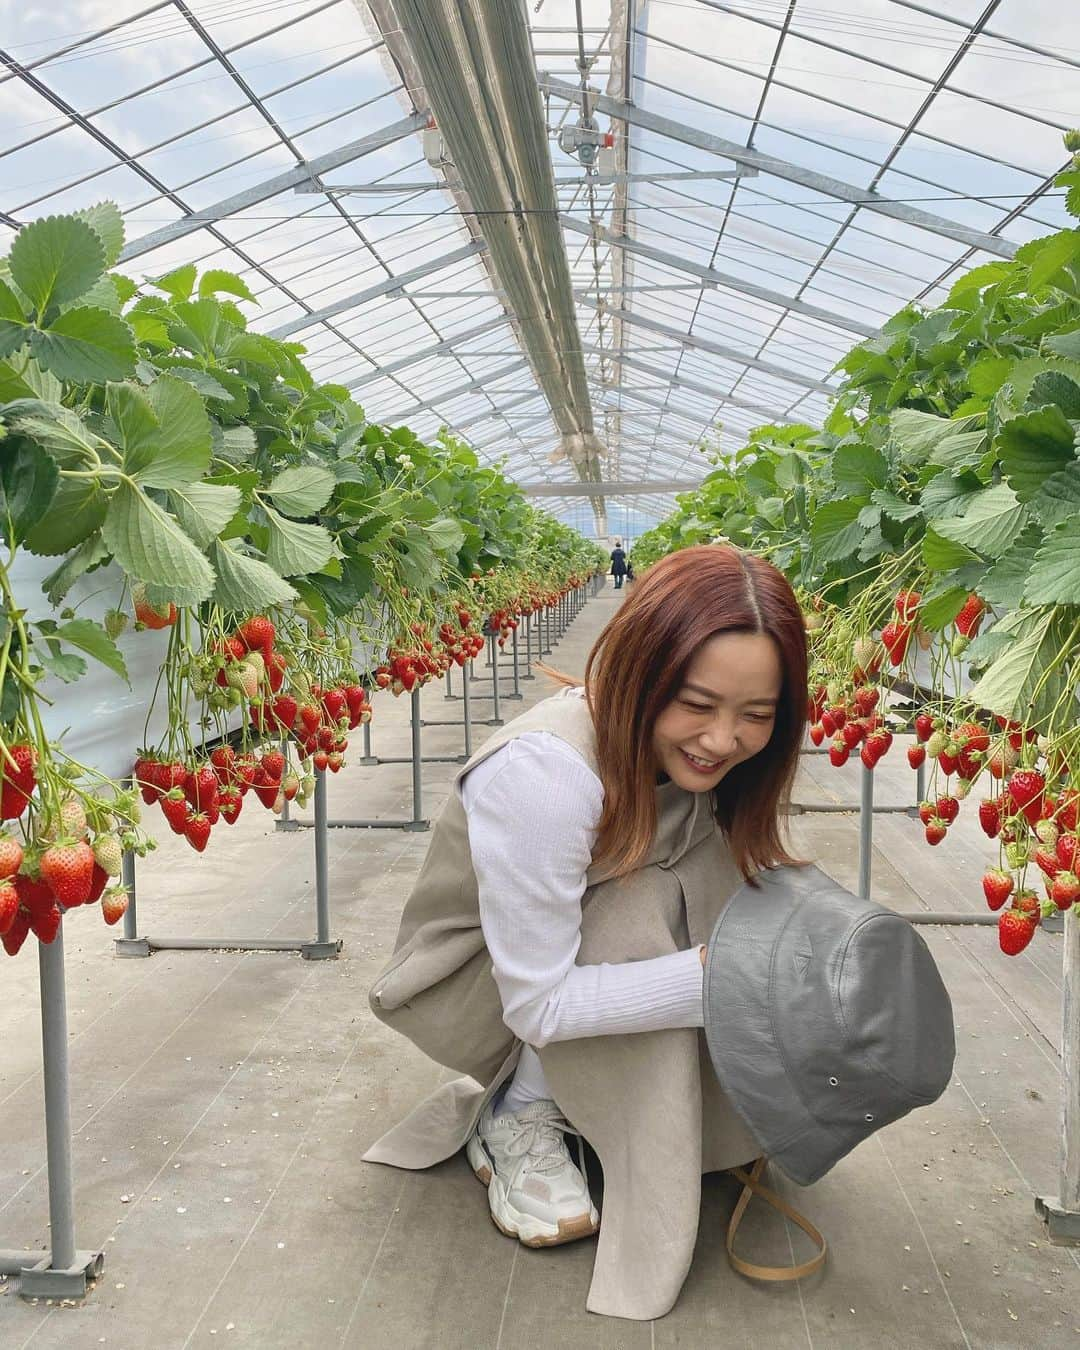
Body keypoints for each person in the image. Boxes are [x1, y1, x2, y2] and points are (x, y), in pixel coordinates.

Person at [363, 544, 809, 1320]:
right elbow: (537, 1003)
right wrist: (721, 976)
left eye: (757, 716)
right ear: (640, 670)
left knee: (734, 886)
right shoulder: (545, 776)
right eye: (696, 704)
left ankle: (612, 1093)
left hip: (580, 942)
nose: (722, 739)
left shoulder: (709, 761)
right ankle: (520, 1112)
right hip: (480, 982)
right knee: (640, 915)